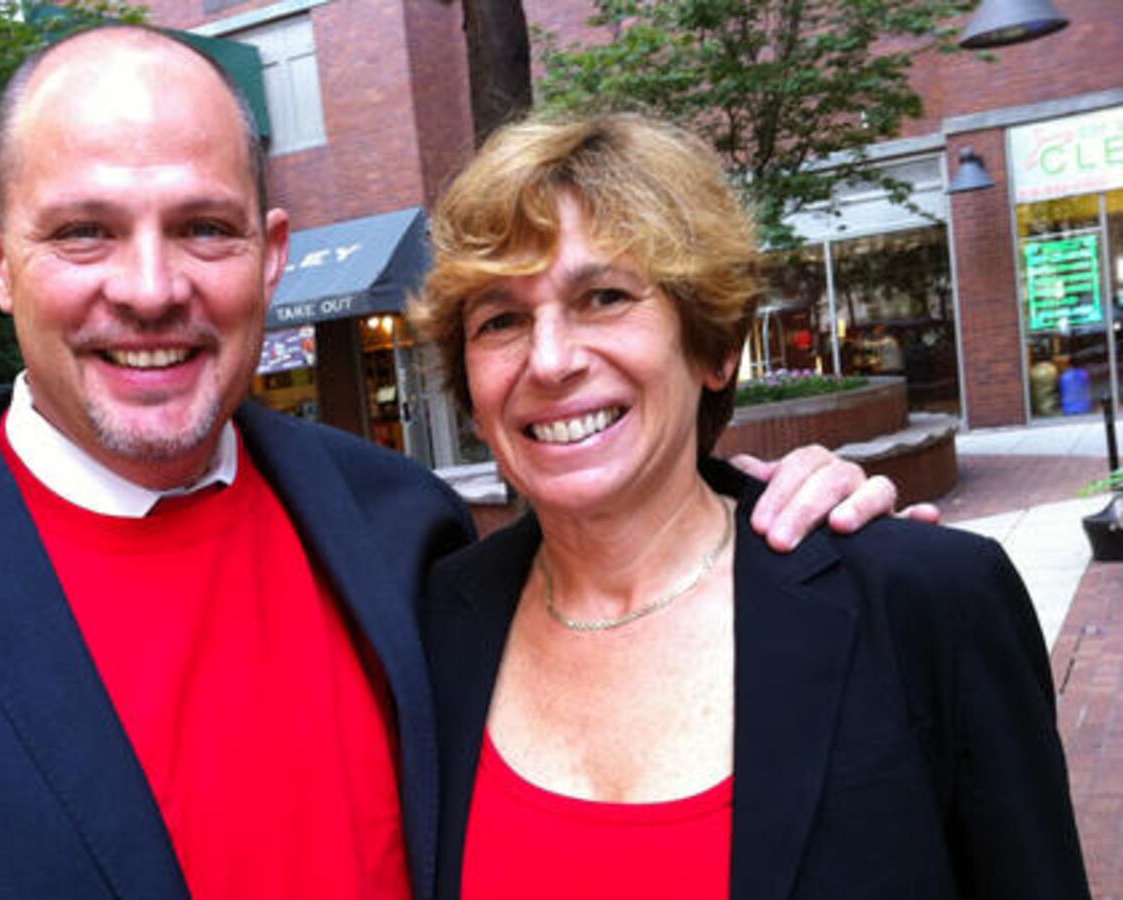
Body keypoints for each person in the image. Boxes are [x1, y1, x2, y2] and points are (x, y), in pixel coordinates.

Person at [0, 28, 905, 900]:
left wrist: (759, 511)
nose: (149, 289)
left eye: (201, 228)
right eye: (85, 231)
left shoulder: (400, 527)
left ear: (270, 254)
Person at [412, 111, 1090, 899]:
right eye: (502, 319)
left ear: (713, 344)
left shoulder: (923, 601)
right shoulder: (428, 631)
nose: (552, 359)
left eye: (603, 296)